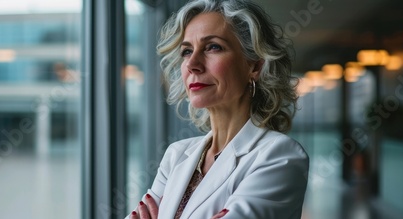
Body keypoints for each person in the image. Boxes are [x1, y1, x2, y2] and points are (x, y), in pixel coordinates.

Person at [127, 0, 309, 218]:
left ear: (255, 65)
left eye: (213, 47)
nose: (193, 63)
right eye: (186, 51)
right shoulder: (176, 156)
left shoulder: (279, 156)